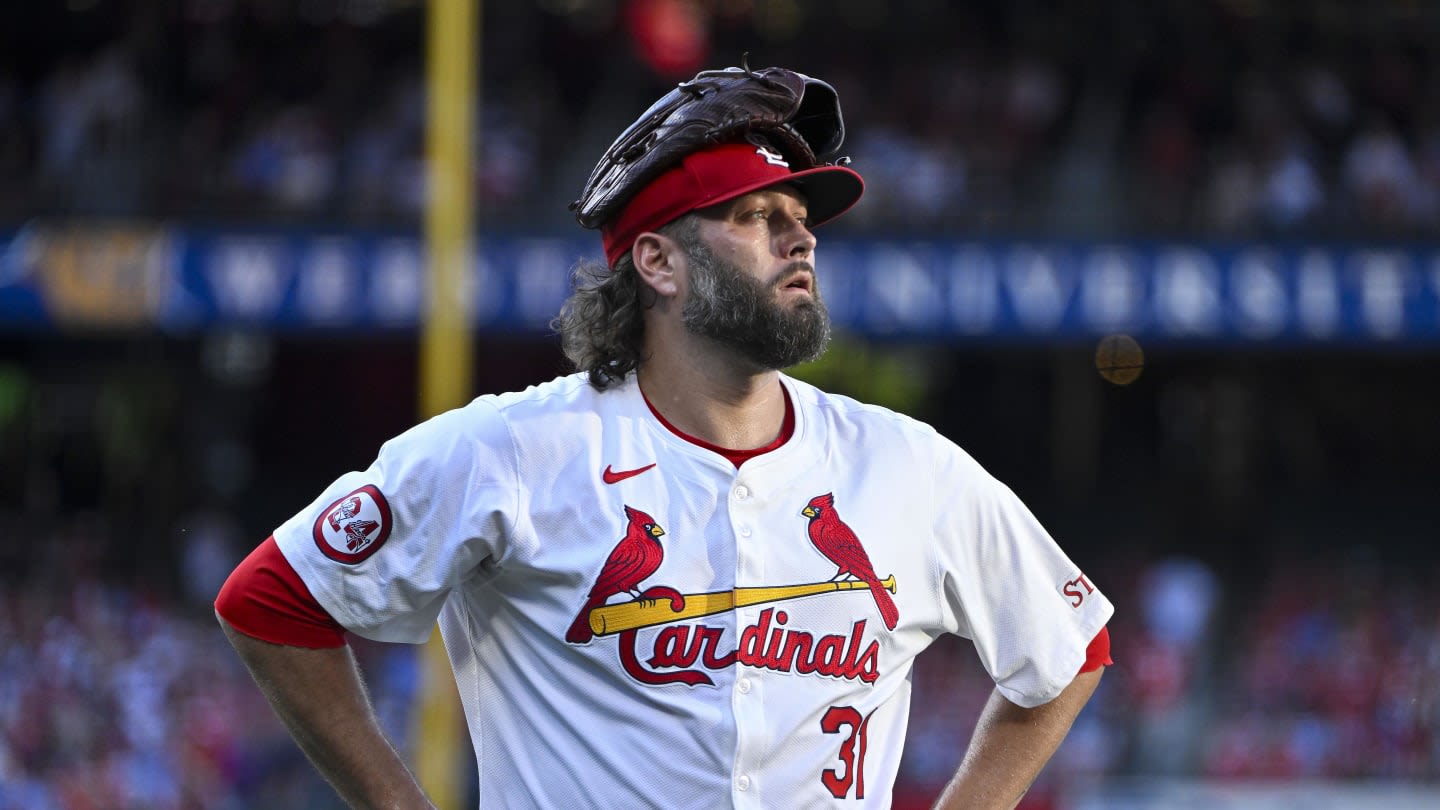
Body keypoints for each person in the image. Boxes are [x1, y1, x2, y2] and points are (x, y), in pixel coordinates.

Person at [215, 64, 1113, 810]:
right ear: (657, 261)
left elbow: (1073, 649)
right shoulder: (515, 451)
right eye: (757, 218)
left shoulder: (907, 466)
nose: (798, 241)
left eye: (800, 222)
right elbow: (271, 600)